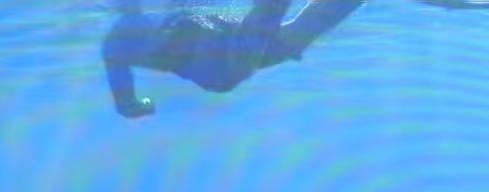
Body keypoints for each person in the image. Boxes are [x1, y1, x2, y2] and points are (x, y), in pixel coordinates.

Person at [102, 0, 362, 117]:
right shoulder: (125, 34)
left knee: (292, 35)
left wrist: (146, 105)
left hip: (213, 55)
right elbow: (128, 107)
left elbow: (127, 107)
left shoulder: (114, 43)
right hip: (215, 44)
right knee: (290, 36)